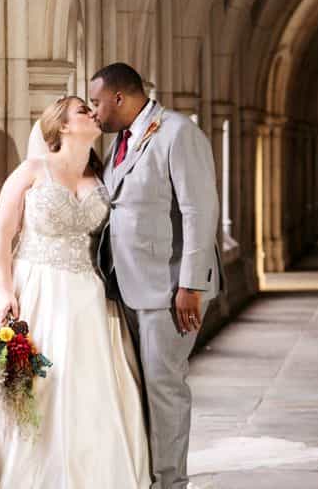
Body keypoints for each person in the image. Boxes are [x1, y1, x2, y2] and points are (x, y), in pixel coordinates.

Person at [0, 96, 151, 489]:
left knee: (93, 392)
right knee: (44, 387)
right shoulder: (32, 170)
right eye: (81, 110)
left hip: (89, 295)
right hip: (39, 290)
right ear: (62, 126)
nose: (92, 113)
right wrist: (5, 289)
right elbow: (1, 233)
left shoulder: (103, 177)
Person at [89, 63, 223, 489]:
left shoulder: (178, 133)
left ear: (119, 98)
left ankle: (171, 483)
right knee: (140, 388)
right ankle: (148, 475)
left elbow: (199, 211)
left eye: (96, 102)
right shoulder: (122, 143)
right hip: (127, 284)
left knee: (164, 387)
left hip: (169, 289)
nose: (94, 112)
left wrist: (191, 285)